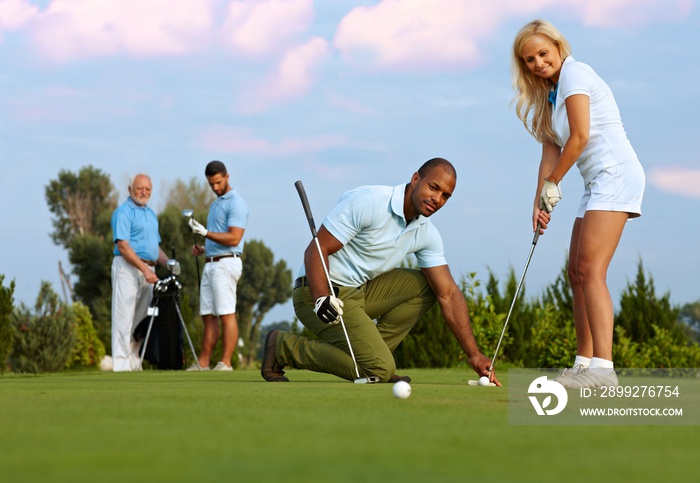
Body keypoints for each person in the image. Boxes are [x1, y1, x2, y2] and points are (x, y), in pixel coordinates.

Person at [261, 158, 500, 385]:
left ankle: (374, 359)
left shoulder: (426, 233)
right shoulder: (370, 201)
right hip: (318, 291)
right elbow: (316, 248)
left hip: (360, 292)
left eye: (445, 195)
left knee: (430, 286)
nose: (437, 199)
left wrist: (474, 354)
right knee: (380, 369)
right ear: (416, 179)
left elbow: (448, 294)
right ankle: (283, 346)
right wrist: (321, 297)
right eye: (433, 187)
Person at [511, 20, 645, 388]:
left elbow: (581, 136)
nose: (539, 63)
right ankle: (584, 364)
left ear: (557, 46)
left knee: (590, 269)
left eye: (543, 53)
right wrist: (539, 201)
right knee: (576, 272)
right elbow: (548, 156)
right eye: (530, 60)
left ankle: (604, 370)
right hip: (595, 182)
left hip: (615, 173)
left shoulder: (576, 73)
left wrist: (555, 182)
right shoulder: (548, 97)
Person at [111, 174, 180, 372]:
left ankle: (134, 363)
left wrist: (168, 263)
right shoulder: (123, 212)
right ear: (130, 189)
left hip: (149, 269)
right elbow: (123, 247)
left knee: (142, 320)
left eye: (148, 189)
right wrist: (144, 270)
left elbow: (154, 248)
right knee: (123, 318)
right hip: (128, 267)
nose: (144, 192)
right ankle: (121, 365)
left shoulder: (150, 214)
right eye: (140, 188)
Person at [187, 161, 249, 371]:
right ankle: (203, 362)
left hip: (227, 263)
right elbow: (218, 237)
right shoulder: (216, 204)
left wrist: (205, 233)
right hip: (212, 262)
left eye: (218, 182)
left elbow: (234, 237)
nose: (214, 187)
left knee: (225, 313)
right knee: (208, 314)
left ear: (227, 177)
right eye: (211, 183)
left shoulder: (236, 203)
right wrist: (204, 248)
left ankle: (226, 362)